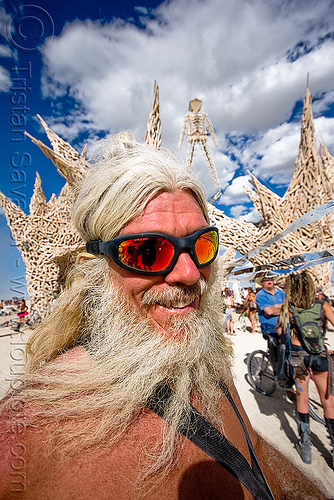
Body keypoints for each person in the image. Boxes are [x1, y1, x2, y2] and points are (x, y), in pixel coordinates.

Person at [0, 133, 326, 499]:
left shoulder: (205, 364)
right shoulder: (27, 435)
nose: (188, 274)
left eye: (202, 245)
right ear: (94, 269)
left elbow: (256, 451)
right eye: (148, 251)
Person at [278, 271, 334, 467]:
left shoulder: (289, 308)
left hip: (298, 355)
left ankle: (305, 447)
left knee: (302, 398)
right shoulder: (322, 304)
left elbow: (279, 330)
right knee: (328, 402)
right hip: (320, 355)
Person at [255, 274, 285, 379]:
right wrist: (282, 309)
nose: (269, 281)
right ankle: (278, 373)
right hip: (269, 326)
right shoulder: (260, 295)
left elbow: (290, 307)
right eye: (266, 279)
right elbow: (268, 311)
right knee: (279, 347)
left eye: (271, 279)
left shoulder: (281, 293)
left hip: (284, 324)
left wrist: (275, 308)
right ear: (262, 282)